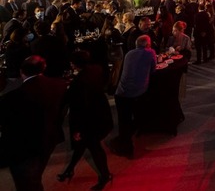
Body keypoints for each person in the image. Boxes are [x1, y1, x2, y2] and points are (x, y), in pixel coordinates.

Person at [0, 56, 68, 191]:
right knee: (35, 175)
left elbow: (5, 123)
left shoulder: (13, 97)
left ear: (21, 72)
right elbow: (63, 110)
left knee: (27, 182)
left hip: (25, 148)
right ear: (43, 68)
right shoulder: (59, 85)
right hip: (49, 138)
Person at [57, 51, 113, 190]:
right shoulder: (96, 69)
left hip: (90, 120)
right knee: (82, 145)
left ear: (74, 64)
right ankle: (70, 169)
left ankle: (105, 175)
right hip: (101, 112)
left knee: (94, 147)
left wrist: (77, 129)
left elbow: (80, 108)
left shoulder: (79, 82)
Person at [109, 35, 157, 158]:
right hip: (138, 92)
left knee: (123, 120)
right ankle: (127, 147)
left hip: (121, 92)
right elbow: (153, 70)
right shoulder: (150, 53)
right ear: (148, 45)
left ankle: (124, 141)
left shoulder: (129, 54)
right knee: (136, 116)